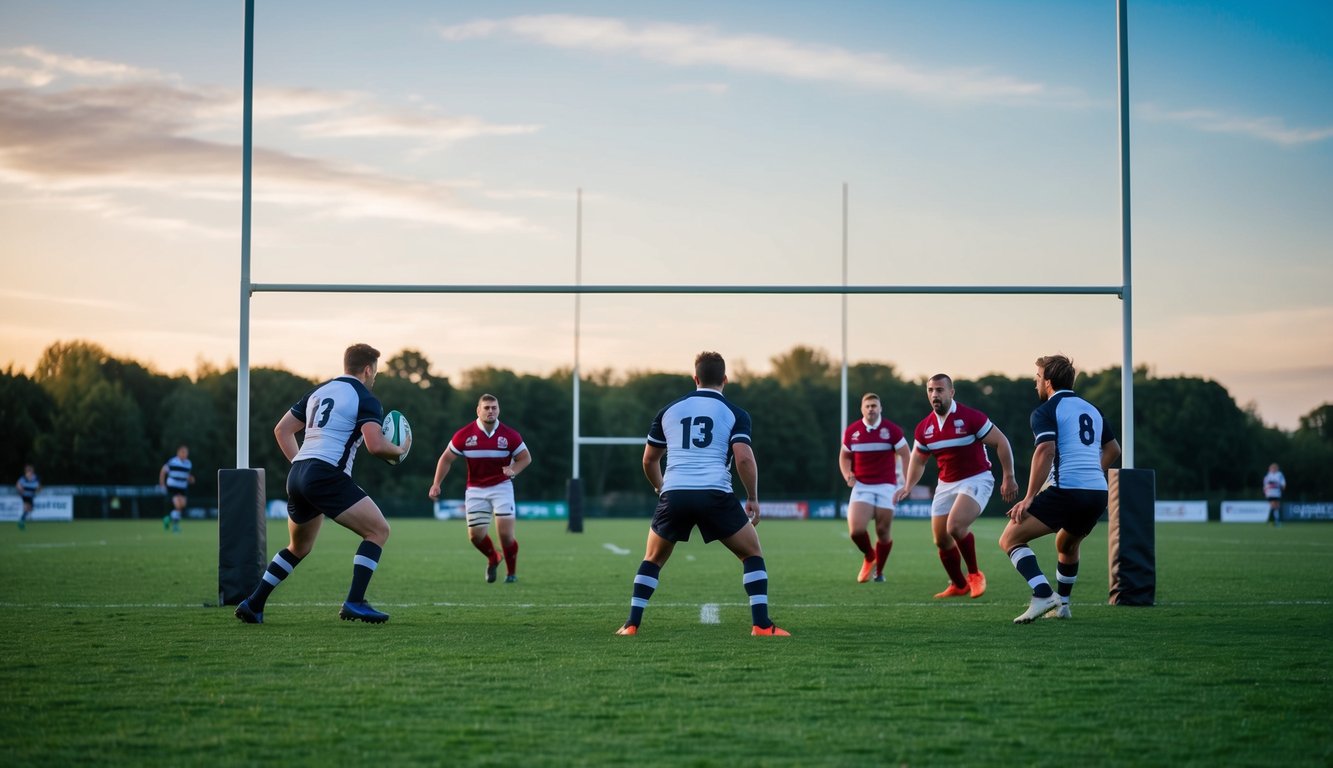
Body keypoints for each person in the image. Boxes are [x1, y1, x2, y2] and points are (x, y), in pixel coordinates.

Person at [615, 351, 789, 637]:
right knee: (752, 553)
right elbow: (743, 458)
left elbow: (649, 460)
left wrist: (661, 489)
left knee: (652, 559)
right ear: (725, 379)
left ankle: (631, 624)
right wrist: (753, 497)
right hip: (714, 493)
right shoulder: (735, 413)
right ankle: (761, 624)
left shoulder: (668, 410)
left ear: (695, 378)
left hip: (675, 493)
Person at [235, 343, 410, 625]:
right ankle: (355, 602)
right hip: (326, 474)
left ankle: (253, 603)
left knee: (298, 548)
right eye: (374, 372)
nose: (374, 378)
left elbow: (282, 430)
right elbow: (376, 446)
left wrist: (300, 465)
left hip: (299, 473)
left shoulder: (319, 391)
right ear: (367, 369)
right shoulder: (366, 398)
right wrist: (400, 450)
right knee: (378, 530)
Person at [999, 355, 1121, 623]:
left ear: (1049, 382)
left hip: (1067, 490)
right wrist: (1090, 474)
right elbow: (1114, 450)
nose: (1036, 384)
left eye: (1038, 379)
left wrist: (1029, 497)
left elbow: (1045, 449)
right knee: (1066, 544)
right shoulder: (1093, 409)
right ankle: (1063, 605)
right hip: (1097, 493)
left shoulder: (1046, 410)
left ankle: (1043, 594)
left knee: (1010, 539)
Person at [894, 374, 1019, 599]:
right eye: (931, 390)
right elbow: (919, 460)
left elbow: (1001, 442)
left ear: (951, 393)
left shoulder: (971, 418)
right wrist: (908, 485)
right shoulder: (924, 428)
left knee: (955, 526)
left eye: (940, 390)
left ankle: (974, 575)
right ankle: (959, 584)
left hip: (977, 479)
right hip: (946, 484)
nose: (935, 395)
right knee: (941, 539)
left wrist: (1009, 476)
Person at [428, 394, 532, 583]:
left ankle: (511, 574)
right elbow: (446, 459)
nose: (490, 411)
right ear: (478, 410)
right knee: (476, 536)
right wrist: (436, 483)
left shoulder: (510, 435)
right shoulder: (464, 435)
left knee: (506, 535)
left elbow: (525, 457)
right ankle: (494, 557)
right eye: (486, 407)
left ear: (499, 410)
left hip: (502, 487)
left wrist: (513, 470)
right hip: (475, 490)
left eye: (494, 407)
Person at [840, 393, 911, 583]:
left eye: (874, 405)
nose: (871, 409)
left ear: (880, 409)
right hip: (862, 486)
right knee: (856, 531)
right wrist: (848, 474)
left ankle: (879, 571)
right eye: (868, 406)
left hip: (887, 486)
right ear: (862, 409)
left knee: (882, 531)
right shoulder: (852, 431)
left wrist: (906, 482)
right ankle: (870, 556)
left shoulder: (892, 430)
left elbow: (906, 454)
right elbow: (845, 456)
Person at [158, 445, 195, 533]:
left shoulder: (188, 463)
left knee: (182, 505)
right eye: (183, 452)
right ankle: (175, 526)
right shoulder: (172, 462)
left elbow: (187, 475)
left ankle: (168, 518)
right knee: (178, 505)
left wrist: (191, 479)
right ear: (178, 453)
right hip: (172, 487)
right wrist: (162, 483)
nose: (185, 454)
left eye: (186, 453)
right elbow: (163, 471)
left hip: (182, 488)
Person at [16, 463, 40, 531]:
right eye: (29, 470)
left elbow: (37, 485)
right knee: (27, 508)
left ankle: (22, 520)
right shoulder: (24, 478)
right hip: (26, 495)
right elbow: (18, 484)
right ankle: (21, 522)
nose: (31, 472)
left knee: (29, 509)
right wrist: (20, 490)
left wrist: (37, 490)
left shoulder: (35, 477)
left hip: (31, 495)